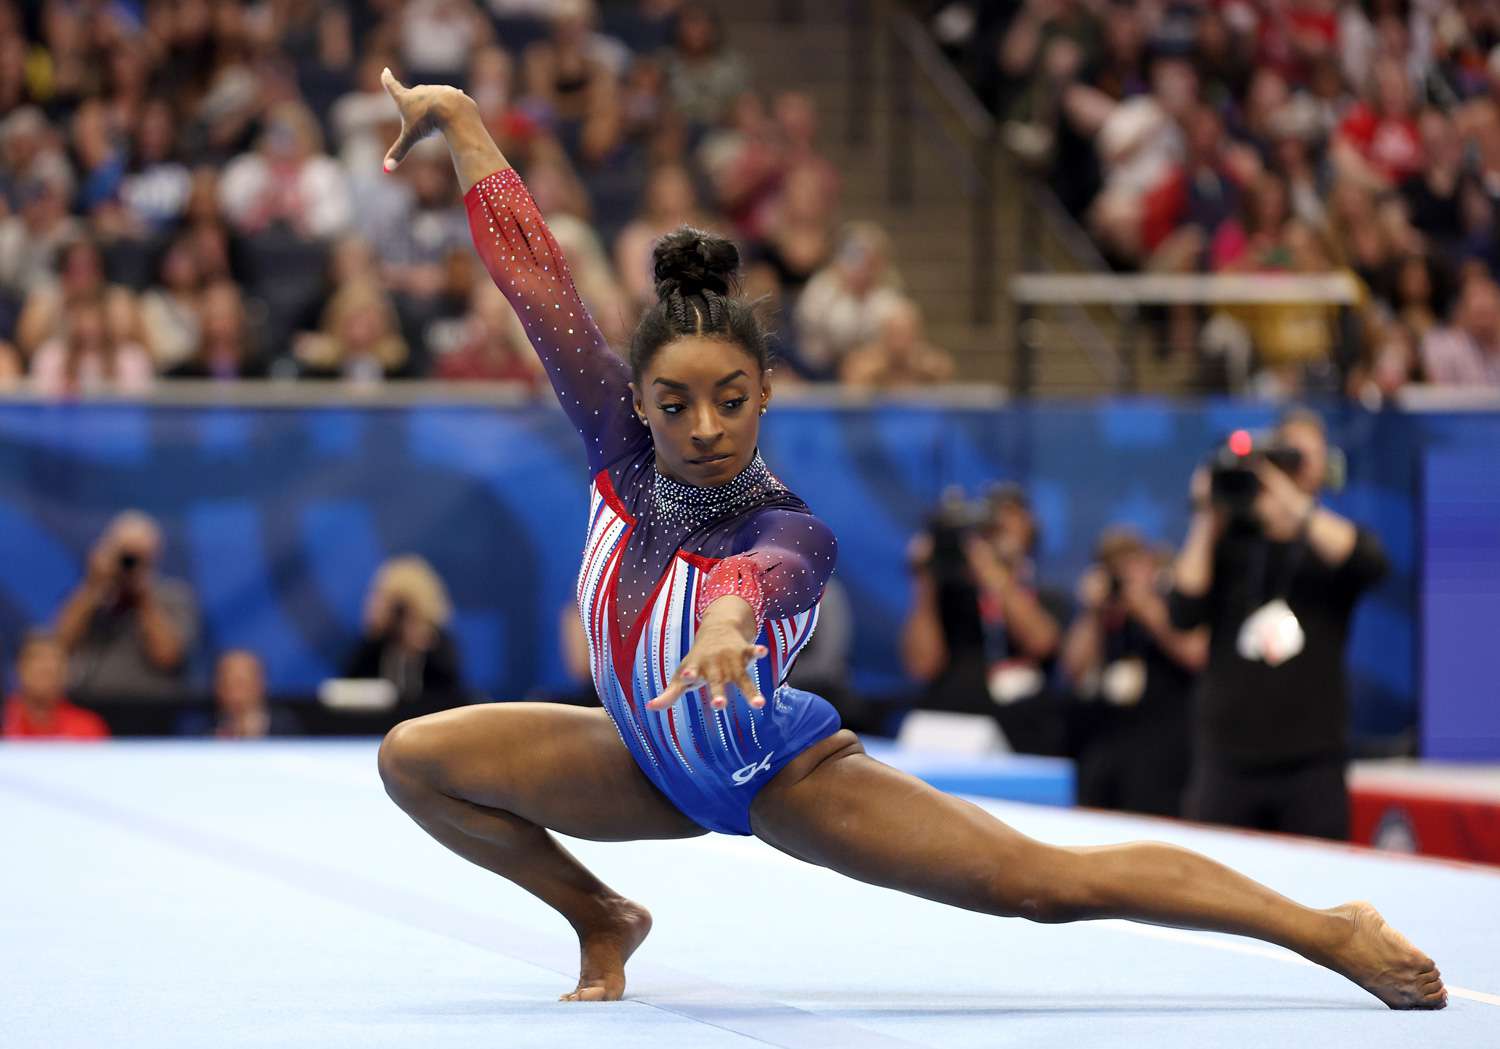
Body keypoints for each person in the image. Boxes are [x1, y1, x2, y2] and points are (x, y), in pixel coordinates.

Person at [373, 71, 1445, 1010]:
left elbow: (756, 581)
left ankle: (1326, 926)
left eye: (731, 400)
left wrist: (729, 625)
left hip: (769, 770)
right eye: (676, 402)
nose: (703, 428)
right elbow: (536, 280)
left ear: (766, 394)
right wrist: (466, 120)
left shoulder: (788, 524)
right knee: (417, 759)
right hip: (646, 756)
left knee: (1042, 884)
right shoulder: (616, 442)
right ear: (638, 402)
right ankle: (603, 914)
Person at [1170, 410, 1388, 840]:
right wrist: (1205, 514)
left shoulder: (1330, 544)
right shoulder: (1230, 543)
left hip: (1311, 761)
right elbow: (1183, 610)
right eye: (1287, 454)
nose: (1291, 468)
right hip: (1227, 760)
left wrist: (1290, 501)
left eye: (1305, 457)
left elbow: (1369, 565)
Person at [900, 484, 1069, 755]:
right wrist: (925, 581)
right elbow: (921, 667)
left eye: (1009, 517)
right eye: (992, 520)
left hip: (1023, 736)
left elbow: (1042, 642)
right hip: (948, 729)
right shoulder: (950, 595)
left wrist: (990, 570)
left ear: (1031, 529)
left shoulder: (1048, 596)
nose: (999, 526)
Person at [1062, 528, 1204, 817]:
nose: (1123, 575)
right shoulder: (1105, 616)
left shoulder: (1172, 600)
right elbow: (1073, 670)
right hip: (1106, 743)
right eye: (1114, 567)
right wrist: (1092, 612)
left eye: (1131, 563)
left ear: (1150, 561)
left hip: (1164, 750)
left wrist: (1144, 605)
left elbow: (1194, 653)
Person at [54, 511, 199, 705]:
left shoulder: (174, 596)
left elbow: (167, 656)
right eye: (124, 555)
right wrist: (92, 585)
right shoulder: (89, 596)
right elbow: (60, 645)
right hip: (89, 703)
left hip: (151, 708)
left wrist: (143, 598)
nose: (128, 564)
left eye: (137, 557)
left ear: (154, 557)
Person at [343, 555, 464, 713]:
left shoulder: (438, 647)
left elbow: (451, 695)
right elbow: (349, 691)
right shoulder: (373, 646)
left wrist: (421, 651)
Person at [2, 632, 110, 741]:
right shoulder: (4, 722)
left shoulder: (88, 728)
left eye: (55, 663)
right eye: (37, 662)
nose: (47, 669)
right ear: (19, 669)